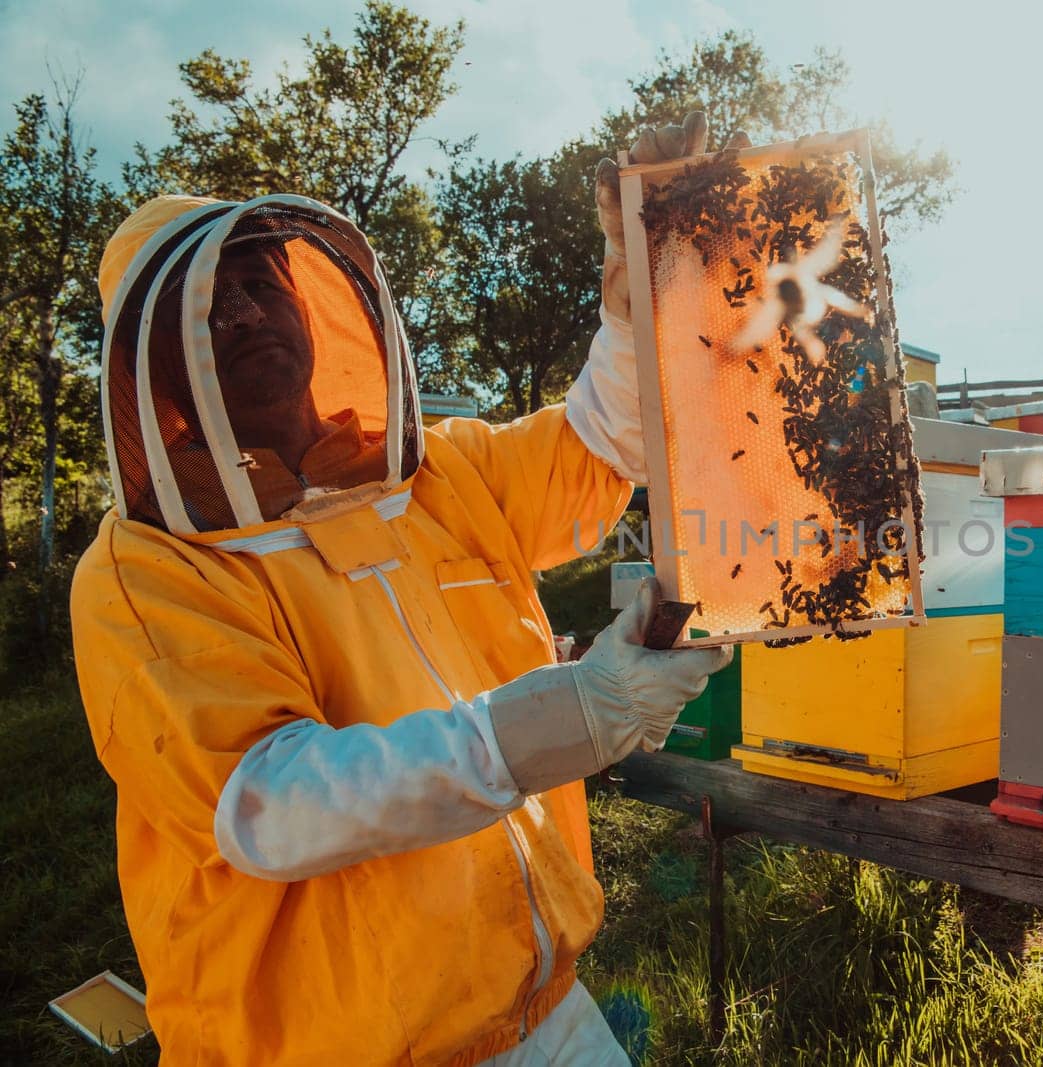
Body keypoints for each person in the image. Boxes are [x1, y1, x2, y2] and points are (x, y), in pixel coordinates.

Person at [71, 114, 744, 1065]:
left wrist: (639, 298)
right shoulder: (146, 574)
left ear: (314, 304)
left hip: (543, 1002)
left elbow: (598, 441)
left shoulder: (432, 476)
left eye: (263, 284)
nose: (248, 313)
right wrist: (575, 713)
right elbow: (273, 800)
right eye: (209, 306)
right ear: (156, 363)